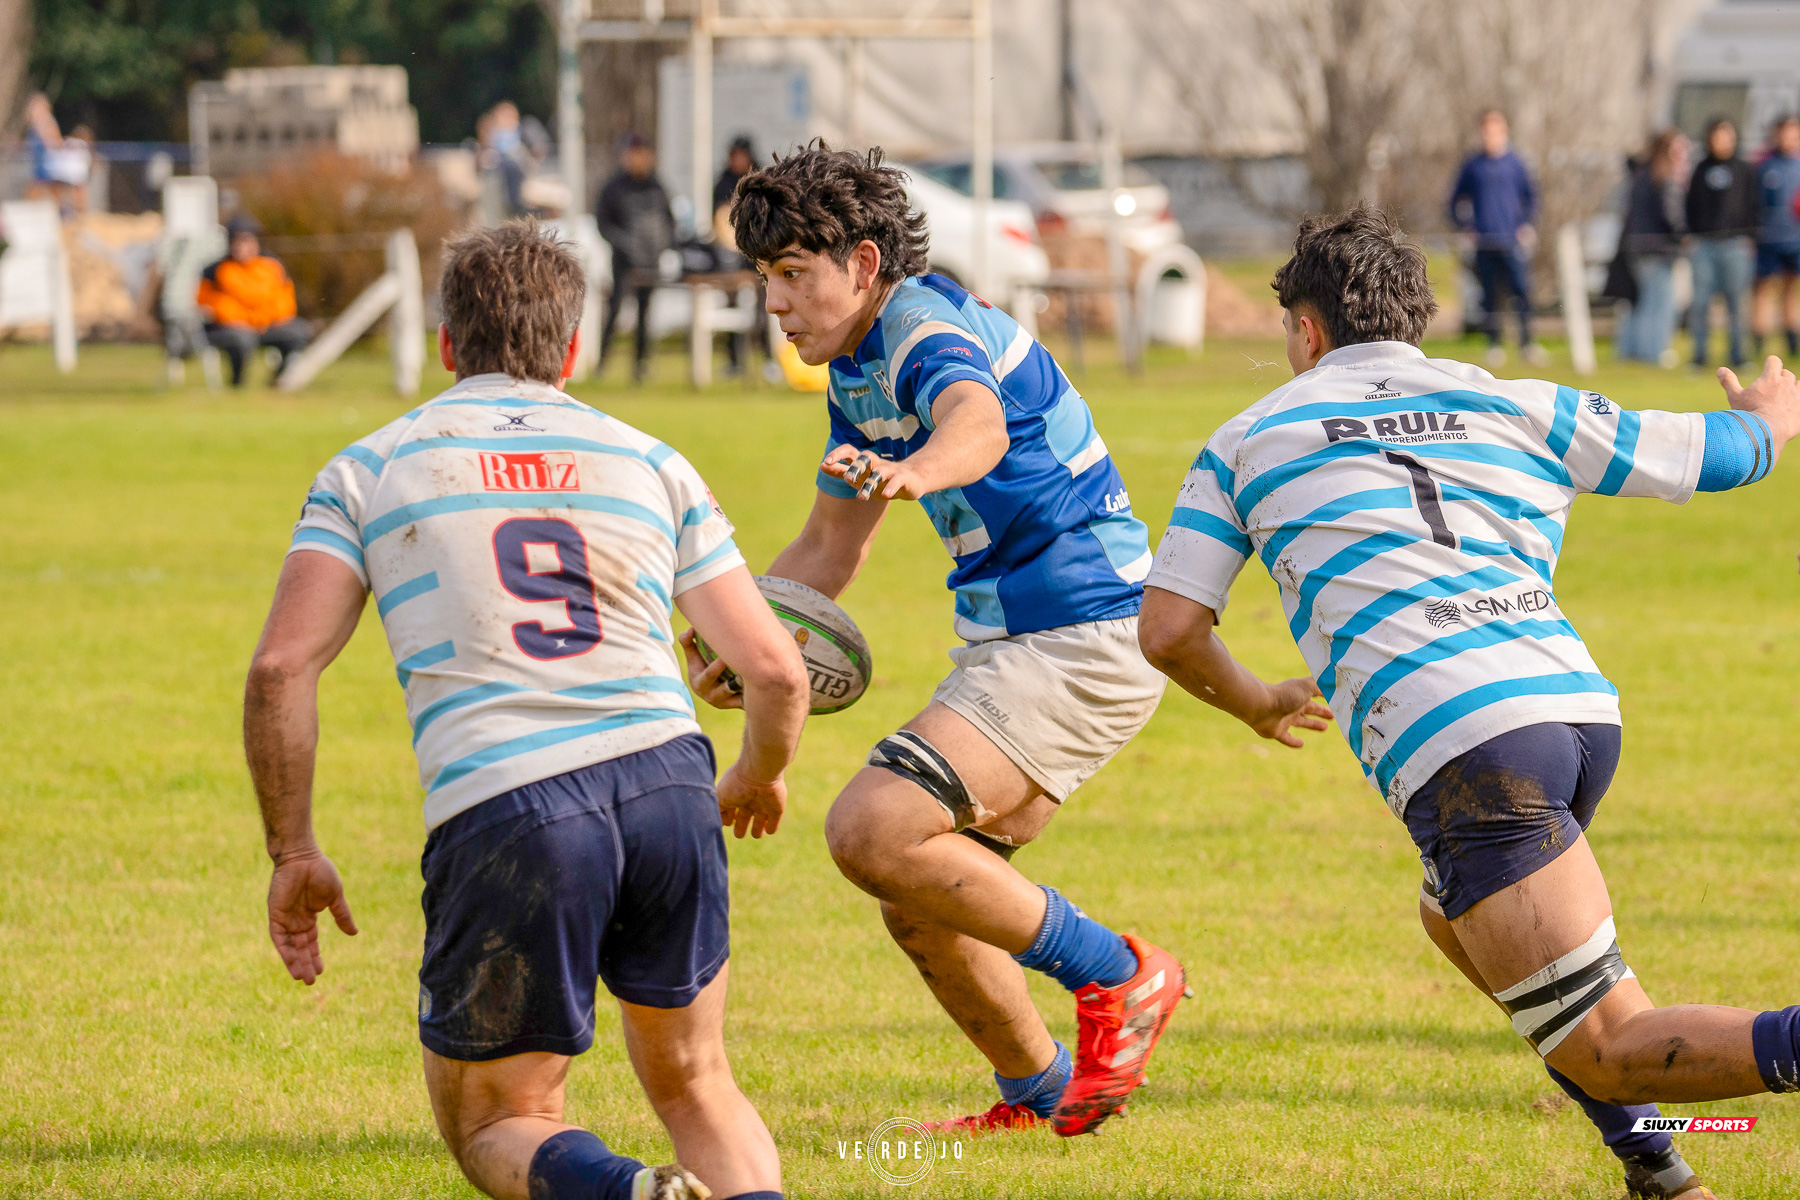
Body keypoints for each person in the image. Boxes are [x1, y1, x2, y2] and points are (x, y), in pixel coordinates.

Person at [1137, 205, 1800, 1200]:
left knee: (1611, 1042)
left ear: (1307, 332)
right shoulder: (1514, 401)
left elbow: (1168, 629)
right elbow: (1720, 455)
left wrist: (1256, 702)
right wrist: (1769, 415)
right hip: (1573, 714)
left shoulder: (1248, 437)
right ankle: (1659, 1170)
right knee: (1452, 919)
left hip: (1469, 750)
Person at [245, 221, 809, 1200]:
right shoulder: (651, 459)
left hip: (514, 801)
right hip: (670, 785)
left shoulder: (371, 467)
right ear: (573, 347)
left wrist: (293, 849)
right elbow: (776, 671)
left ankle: (631, 1194)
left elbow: (279, 669)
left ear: (447, 343)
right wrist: (758, 773)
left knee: (500, 1119)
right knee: (697, 1081)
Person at [710, 144, 1185, 1139]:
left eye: (793, 273)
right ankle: (1042, 1096)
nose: (776, 303)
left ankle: (1119, 975)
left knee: (871, 830)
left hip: (1083, 631)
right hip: (1027, 640)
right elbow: (828, 546)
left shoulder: (924, 328)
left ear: (864, 264)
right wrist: (743, 634)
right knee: (920, 891)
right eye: (764, 278)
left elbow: (978, 424)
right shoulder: (857, 371)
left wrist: (920, 469)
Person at [1448, 110, 1546, 367]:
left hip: (1512, 242)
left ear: (1504, 132)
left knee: (1521, 292)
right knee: (1489, 296)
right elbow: (1454, 201)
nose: (1490, 136)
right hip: (1484, 243)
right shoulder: (1473, 165)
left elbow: (1532, 198)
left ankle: (1527, 344)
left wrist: (1525, 225)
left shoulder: (1516, 163)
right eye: (1486, 131)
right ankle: (1494, 344)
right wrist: (1466, 227)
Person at [195, 214, 312, 387]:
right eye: (236, 241)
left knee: (299, 332)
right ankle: (237, 382)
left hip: (268, 325)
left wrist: (264, 319)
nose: (241, 247)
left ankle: (280, 379)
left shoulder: (271, 266)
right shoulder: (216, 270)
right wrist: (242, 320)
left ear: (257, 242)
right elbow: (211, 303)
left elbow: (285, 300)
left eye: (246, 241)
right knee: (241, 339)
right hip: (233, 328)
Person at [596, 134, 675, 383]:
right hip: (623, 262)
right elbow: (603, 224)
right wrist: (625, 245)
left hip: (650, 261)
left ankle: (641, 364)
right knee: (615, 310)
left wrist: (661, 247)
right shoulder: (613, 187)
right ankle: (602, 363)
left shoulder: (657, 187)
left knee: (645, 314)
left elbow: (669, 222)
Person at [1686, 118, 1759, 368]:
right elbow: (1690, 204)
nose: (1722, 142)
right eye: (1717, 136)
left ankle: (1738, 356)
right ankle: (1699, 357)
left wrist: (1750, 236)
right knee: (1700, 303)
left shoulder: (1743, 169)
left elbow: (1754, 204)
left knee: (1737, 304)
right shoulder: (1700, 169)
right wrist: (1691, 235)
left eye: (1726, 136)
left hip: (1736, 245)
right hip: (1704, 245)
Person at [1617, 131, 1690, 368]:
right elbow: (1672, 217)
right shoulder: (1665, 177)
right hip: (1659, 250)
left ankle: (1631, 351)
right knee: (1660, 304)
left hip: (1636, 248)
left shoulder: (1639, 174)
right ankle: (1653, 352)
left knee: (1640, 302)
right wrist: (1684, 236)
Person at [712, 135, 762, 377]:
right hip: (729, 253)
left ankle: (767, 359)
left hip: (759, 250)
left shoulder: (762, 181)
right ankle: (734, 360)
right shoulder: (723, 183)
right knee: (731, 306)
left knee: (765, 307)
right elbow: (719, 219)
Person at [1752, 115, 1800, 361]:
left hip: (1795, 240)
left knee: (1791, 291)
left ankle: (1792, 344)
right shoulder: (1765, 167)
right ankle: (1758, 344)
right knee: (1763, 291)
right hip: (1768, 239)